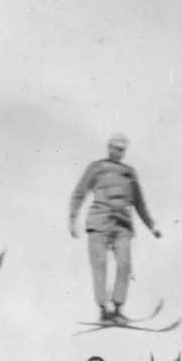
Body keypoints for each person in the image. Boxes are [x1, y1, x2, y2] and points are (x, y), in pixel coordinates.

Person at [68, 133, 162, 324]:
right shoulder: (96, 168)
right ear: (108, 148)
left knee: (124, 265)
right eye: (113, 148)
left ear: (124, 152)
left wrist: (152, 226)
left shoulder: (129, 173)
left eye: (120, 149)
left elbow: (139, 203)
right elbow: (79, 193)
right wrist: (72, 219)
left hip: (122, 225)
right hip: (99, 222)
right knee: (99, 266)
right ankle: (104, 310)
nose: (116, 152)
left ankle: (118, 308)